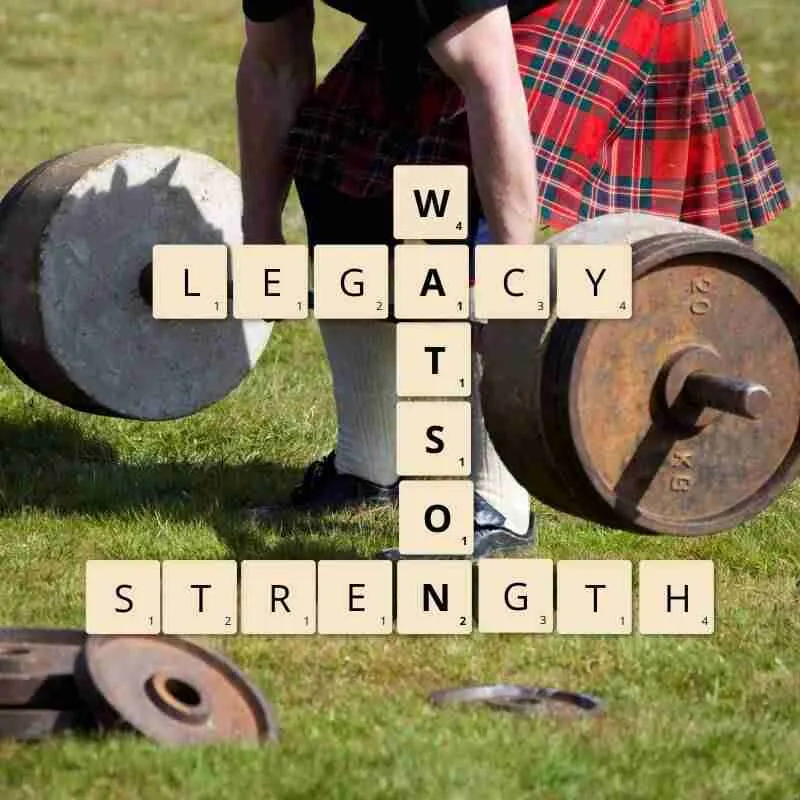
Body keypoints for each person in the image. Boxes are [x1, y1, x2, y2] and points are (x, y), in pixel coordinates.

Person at [236, 0, 790, 559]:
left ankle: (496, 503)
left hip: (603, 7)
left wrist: (510, 277)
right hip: (465, 20)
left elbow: (487, 73)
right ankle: (367, 466)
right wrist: (259, 229)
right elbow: (273, 64)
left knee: (452, 198)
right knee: (334, 159)